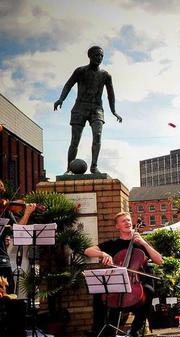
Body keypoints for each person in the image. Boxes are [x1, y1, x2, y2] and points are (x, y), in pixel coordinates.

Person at [84, 212, 163, 337]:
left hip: (138, 285)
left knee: (149, 290)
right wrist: (103, 254)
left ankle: (135, 329)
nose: (127, 222)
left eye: (128, 220)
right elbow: (87, 251)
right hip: (119, 285)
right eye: (123, 221)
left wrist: (144, 243)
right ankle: (98, 331)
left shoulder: (140, 243)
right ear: (117, 227)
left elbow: (159, 260)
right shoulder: (113, 244)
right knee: (99, 293)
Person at [53, 46, 122, 174]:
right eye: (96, 55)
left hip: (97, 109)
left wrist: (113, 111)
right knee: (75, 140)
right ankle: (69, 169)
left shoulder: (105, 75)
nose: (99, 58)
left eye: (101, 56)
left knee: (98, 135)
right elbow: (68, 85)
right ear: (90, 56)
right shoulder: (80, 71)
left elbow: (111, 94)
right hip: (80, 108)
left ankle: (94, 166)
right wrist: (61, 99)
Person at [0, 180, 38, 294]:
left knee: (9, 293)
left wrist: (27, 213)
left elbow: (17, 230)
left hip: (1, 259)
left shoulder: (5, 209)